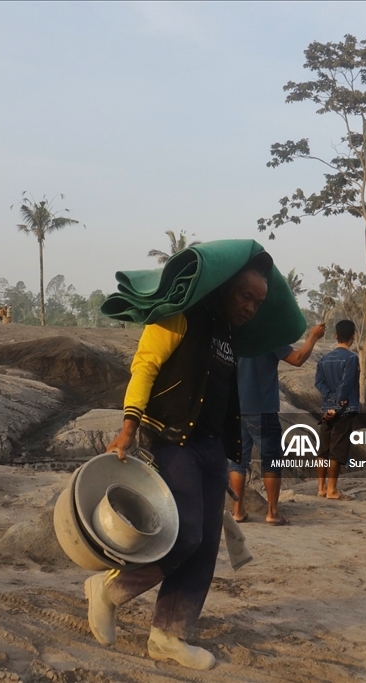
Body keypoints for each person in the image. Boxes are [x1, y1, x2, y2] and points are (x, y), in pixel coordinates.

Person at [89, 253, 272, 670]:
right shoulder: (179, 316)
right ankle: (108, 590)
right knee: (183, 535)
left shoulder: (228, 334)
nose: (250, 307)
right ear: (226, 286)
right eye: (246, 296)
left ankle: (169, 636)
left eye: (258, 303)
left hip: (210, 450)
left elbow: (224, 395)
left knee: (206, 546)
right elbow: (145, 365)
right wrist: (129, 426)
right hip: (173, 442)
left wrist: (233, 454)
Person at [230, 322, 326, 525]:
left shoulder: (234, 336)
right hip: (263, 410)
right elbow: (297, 359)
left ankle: (237, 511)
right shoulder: (268, 337)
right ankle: (272, 513)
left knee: (238, 461)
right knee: (271, 460)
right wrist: (313, 337)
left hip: (236, 410)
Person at [314, 319, 360, 499]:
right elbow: (346, 384)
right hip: (343, 410)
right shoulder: (351, 358)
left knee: (323, 448)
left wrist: (330, 401)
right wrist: (337, 404)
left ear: (335, 336)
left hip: (326, 409)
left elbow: (319, 383)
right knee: (338, 449)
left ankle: (321, 488)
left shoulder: (323, 359)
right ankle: (332, 490)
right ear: (353, 336)